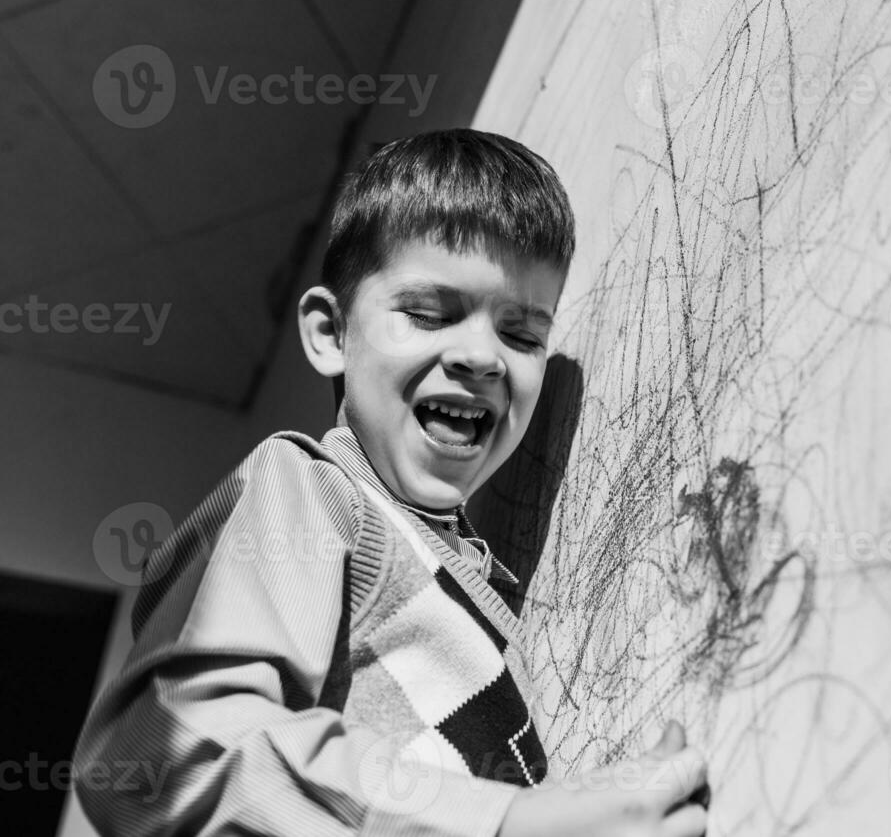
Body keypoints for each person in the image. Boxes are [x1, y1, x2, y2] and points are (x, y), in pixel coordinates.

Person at [73, 129, 709, 836]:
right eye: (429, 313)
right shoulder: (312, 489)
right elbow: (167, 754)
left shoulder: (468, 571)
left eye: (523, 336)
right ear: (328, 333)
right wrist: (505, 821)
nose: (480, 356)